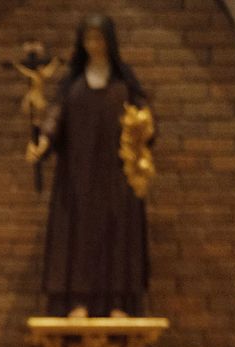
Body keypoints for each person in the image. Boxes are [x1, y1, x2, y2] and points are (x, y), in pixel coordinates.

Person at [27, 13, 150, 317]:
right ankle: (77, 299)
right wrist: (43, 141)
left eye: (99, 38)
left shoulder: (124, 85)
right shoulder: (74, 86)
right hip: (78, 177)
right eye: (88, 39)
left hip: (116, 177)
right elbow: (56, 116)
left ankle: (118, 300)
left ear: (109, 42)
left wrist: (143, 128)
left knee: (118, 235)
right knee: (77, 235)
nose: (94, 45)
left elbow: (144, 120)